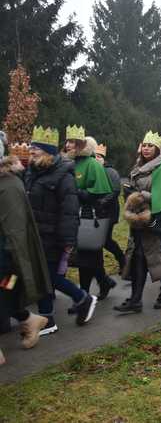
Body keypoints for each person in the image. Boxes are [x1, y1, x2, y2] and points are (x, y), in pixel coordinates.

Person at [24, 127, 97, 335]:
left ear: (47, 151)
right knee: (42, 276)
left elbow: (69, 211)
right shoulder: (32, 171)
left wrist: (67, 240)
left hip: (52, 234)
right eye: (30, 148)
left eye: (35, 148)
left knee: (49, 276)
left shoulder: (63, 175)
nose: (31, 151)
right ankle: (47, 319)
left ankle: (83, 298)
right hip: (35, 233)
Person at [117, 131, 161, 313]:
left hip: (158, 220)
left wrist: (138, 195)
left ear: (157, 149)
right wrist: (130, 193)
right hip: (140, 220)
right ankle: (135, 299)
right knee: (138, 258)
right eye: (144, 145)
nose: (146, 149)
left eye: (150, 146)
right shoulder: (139, 166)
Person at [0, 134, 51, 363]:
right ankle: (29, 319)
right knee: (4, 296)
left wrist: (13, 264)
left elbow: (15, 228)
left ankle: (29, 320)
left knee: (4, 291)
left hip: (8, 262)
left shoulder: (8, 184)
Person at [64, 127, 116, 301]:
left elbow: (97, 193)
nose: (68, 145)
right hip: (73, 215)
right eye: (67, 141)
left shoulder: (92, 164)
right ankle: (103, 282)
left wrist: (75, 192)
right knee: (88, 257)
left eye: (72, 142)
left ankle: (83, 296)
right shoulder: (69, 163)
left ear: (81, 145)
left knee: (87, 256)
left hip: (89, 217)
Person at [94, 144, 125, 281]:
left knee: (105, 241)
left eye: (99, 156)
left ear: (103, 158)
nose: (96, 158)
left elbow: (115, 190)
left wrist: (101, 202)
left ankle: (122, 260)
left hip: (109, 212)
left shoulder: (110, 171)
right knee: (98, 242)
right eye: (94, 156)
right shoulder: (92, 170)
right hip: (96, 213)